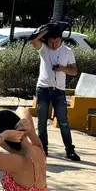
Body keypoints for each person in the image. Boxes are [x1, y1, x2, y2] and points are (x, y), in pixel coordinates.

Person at [30, 24, 80, 162]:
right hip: (43, 89)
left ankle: (69, 149)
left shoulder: (67, 51)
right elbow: (33, 40)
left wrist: (62, 69)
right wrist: (46, 30)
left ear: (61, 40)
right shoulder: (44, 49)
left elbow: (74, 71)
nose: (54, 44)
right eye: (51, 41)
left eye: (57, 42)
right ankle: (42, 149)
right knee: (42, 121)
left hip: (59, 90)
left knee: (63, 121)